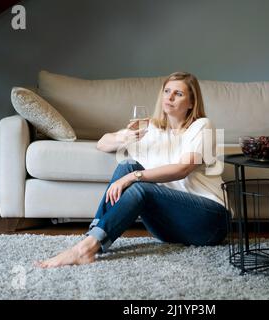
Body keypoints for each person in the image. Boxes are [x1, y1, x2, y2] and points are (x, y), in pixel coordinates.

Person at [35, 71, 228, 268]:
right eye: (167, 91)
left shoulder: (202, 126)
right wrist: (124, 138)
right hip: (171, 229)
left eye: (178, 94)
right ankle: (93, 237)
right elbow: (102, 143)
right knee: (126, 165)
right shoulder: (151, 128)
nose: (169, 97)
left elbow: (183, 168)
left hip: (210, 222)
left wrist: (133, 178)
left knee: (138, 184)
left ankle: (85, 249)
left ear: (191, 103)